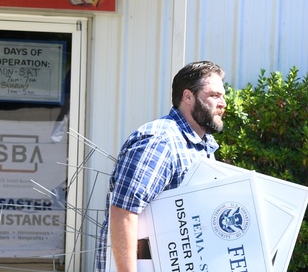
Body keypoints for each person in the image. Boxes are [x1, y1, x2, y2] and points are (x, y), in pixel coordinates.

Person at [95, 61, 226, 272]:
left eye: (223, 96)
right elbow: (123, 211)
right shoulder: (161, 141)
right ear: (188, 96)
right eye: (214, 95)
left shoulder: (203, 147)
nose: (223, 103)